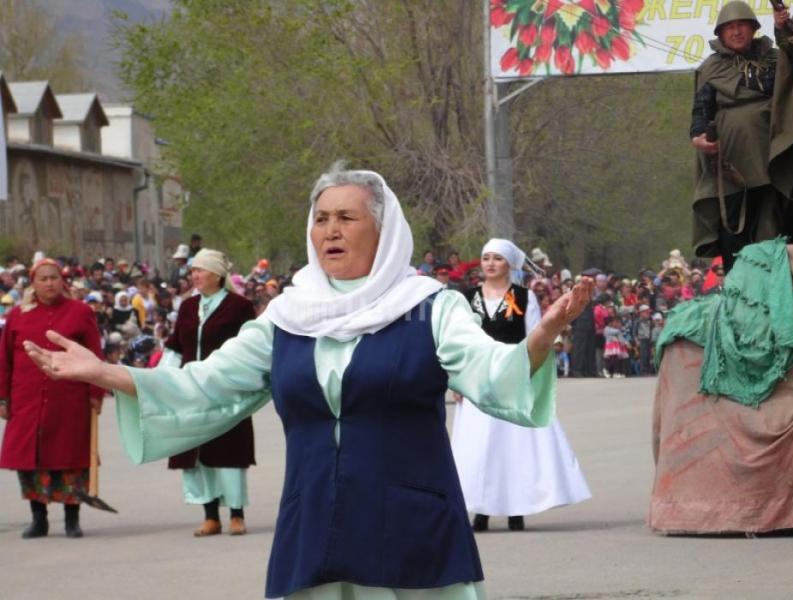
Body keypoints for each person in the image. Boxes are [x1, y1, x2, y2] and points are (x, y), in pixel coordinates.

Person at [23, 164, 592, 599]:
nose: (330, 230)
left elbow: (491, 372)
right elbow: (205, 385)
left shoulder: (429, 307)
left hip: (410, 527)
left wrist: (540, 336)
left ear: (384, 230)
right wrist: (106, 372)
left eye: (347, 218)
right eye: (321, 218)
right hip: (316, 526)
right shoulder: (287, 316)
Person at [452, 239, 591, 532]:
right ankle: (481, 509)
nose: (490, 264)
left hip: (513, 376)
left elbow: (536, 336)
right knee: (481, 446)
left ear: (510, 264)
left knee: (513, 446)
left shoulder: (524, 298)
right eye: (486, 258)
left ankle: (516, 509)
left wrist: (530, 373)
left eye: (497, 258)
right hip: (478, 378)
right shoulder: (467, 298)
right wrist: (457, 379)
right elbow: (458, 340)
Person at [691, 2, 793, 272]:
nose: (736, 31)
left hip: (775, 155)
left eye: (742, 25)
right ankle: (737, 283)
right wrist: (699, 136)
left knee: (781, 221)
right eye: (729, 27)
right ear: (720, 33)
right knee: (734, 226)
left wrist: (783, 27)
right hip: (732, 162)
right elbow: (701, 110)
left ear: (753, 28)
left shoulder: (776, 59)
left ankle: (783, 282)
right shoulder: (711, 67)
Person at [0, 258, 104, 538]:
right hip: (27, 399)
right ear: (33, 283)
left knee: (71, 458)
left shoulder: (80, 312)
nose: (49, 283)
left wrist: (96, 392)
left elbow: (95, 354)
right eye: (43, 279)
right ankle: (39, 519)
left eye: (54, 278)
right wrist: (2, 397)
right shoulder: (17, 315)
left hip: (69, 399)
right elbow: (4, 359)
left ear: (62, 281)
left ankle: (72, 519)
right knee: (31, 460)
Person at [161, 248, 257, 537]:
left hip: (226, 387)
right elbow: (176, 344)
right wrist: (163, 379)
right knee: (197, 452)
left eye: (200, 270)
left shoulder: (239, 306)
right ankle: (211, 515)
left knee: (229, 451)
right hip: (191, 388)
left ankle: (236, 514)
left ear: (216, 274)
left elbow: (251, 345)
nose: (194, 275)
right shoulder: (188, 307)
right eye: (193, 271)